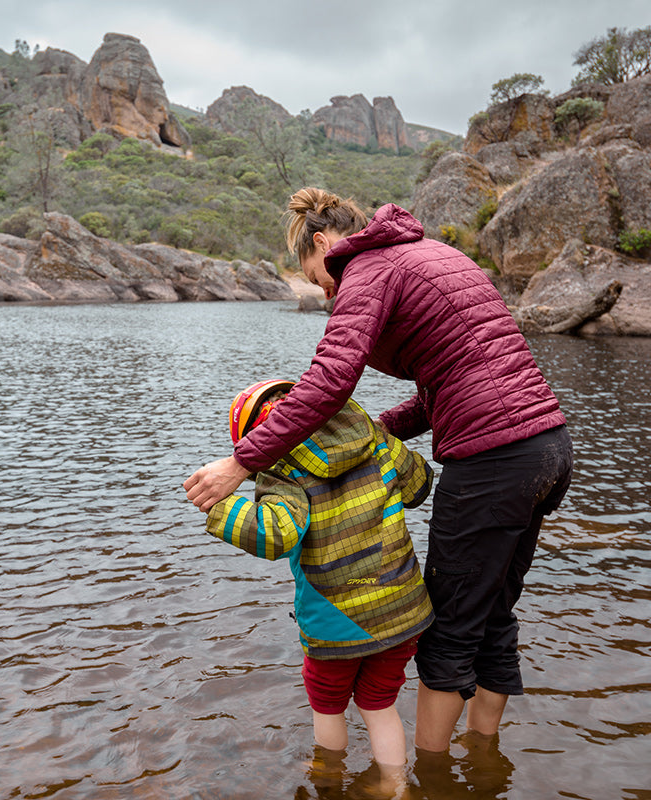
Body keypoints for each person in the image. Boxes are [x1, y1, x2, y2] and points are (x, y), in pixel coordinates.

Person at [184, 188, 573, 753]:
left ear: (323, 244)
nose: (325, 291)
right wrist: (371, 436)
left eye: (318, 279)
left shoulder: (365, 267)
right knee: (492, 615)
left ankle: (433, 778)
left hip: (493, 459)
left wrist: (243, 462)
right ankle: (484, 761)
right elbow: (439, 391)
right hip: (547, 447)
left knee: (450, 631)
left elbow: (331, 378)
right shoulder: (431, 254)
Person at [205, 378, 434, 784]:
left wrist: (222, 508)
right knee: (379, 705)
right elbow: (418, 485)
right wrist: (388, 448)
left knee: (328, 706)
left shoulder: (282, 471)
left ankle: (329, 782)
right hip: (402, 608)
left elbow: (277, 534)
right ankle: (396, 787)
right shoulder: (372, 437)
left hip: (336, 622)